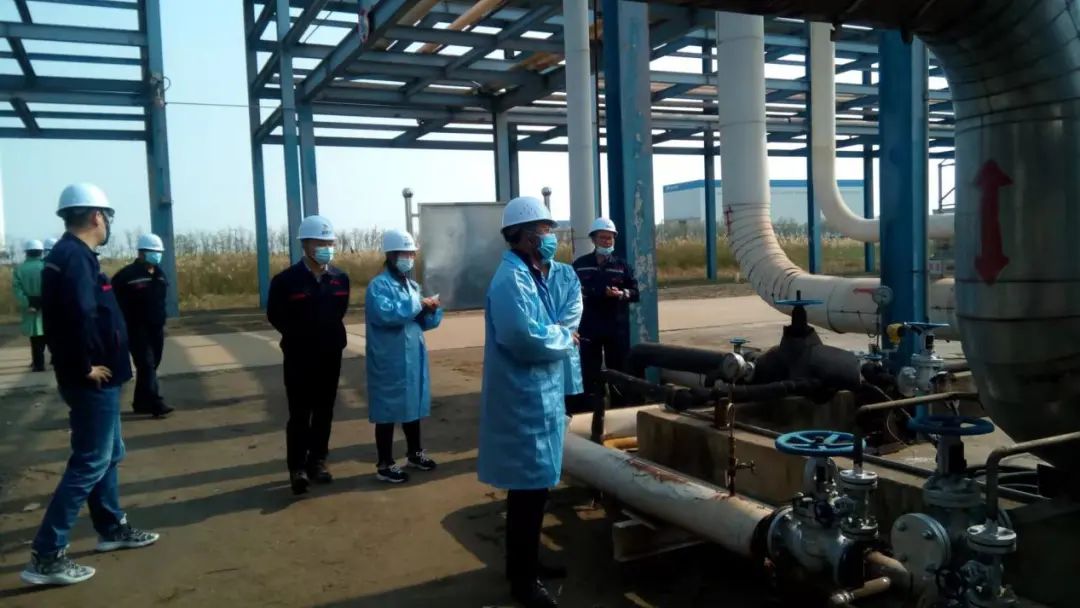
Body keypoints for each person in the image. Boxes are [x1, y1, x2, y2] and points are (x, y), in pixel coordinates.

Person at [22, 183, 159, 587]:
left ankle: (111, 526)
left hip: (100, 375)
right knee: (90, 461)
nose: (108, 224)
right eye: (108, 217)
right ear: (98, 216)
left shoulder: (72, 255)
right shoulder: (75, 258)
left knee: (109, 453)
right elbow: (76, 316)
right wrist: (84, 366)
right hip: (91, 380)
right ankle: (47, 555)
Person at [478, 196, 577, 608]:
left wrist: (560, 332)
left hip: (540, 395)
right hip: (523, 399)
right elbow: (523, 336)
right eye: (544, 230)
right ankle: (523, 581)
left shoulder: (533, 275)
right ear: (523, 235)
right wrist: (564, 337)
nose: (550, 236)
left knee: (536, 491)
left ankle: (528, 562)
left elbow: (558, 318)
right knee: (526, 492)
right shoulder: (510, 280)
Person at [267, 215, 350, 496]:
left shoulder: (340, 279)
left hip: (330, 354)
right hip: (299, 357)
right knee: (300, 413)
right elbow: (275, 315)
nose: (326, 248)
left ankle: (318, 461)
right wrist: (302, 336)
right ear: (304, 244)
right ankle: (297, 468)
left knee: (325, 411)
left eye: (330, 243)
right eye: (319, 243)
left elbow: (339, 312)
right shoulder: (286, 281)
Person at [365, 229, 442, 484]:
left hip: (412, 356)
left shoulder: (411, 286)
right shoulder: (378, 286)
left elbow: (419, 322)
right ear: (390, 255)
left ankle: (414, 453)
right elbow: (387, 315)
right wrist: (419, 304)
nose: (409, 258)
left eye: (411, 254)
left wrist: (431, 310)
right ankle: (385, 463)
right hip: (389, 359)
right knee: (387, 411)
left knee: (413, 406)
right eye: (404, 254)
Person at [572, 218, 639, 413]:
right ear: (593, 239)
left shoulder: (622, 266)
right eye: (602, 238)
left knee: (618, 369)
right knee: (589, 371)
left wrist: (622, 293)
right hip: (589, 327)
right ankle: (591, 410)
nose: (607, 241)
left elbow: (635, 293)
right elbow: (572, 292)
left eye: (610, 238)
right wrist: (598, 292)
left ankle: (619, 409)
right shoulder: (580, 265)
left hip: (616, 328)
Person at [112, 234, 173, 418]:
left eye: (158, 252)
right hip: (135, 327)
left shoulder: (160, 274)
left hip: (156, 327)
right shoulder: (126, 275)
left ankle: (140, 402)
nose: (156, 255)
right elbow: (112, 301)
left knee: (151, 364)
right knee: (146, 363)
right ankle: (155, 402)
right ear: (141, 253)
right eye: (152, 252)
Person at [545, 258, 584, 413]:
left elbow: (575, 306)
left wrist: (558, 331)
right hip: (543, 342)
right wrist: (553, 333)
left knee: (568, 398)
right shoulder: (523, 274)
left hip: (566, 339)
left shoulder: (566, 272)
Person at [13, 239, 46, 372]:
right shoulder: (46, 266)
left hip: (30, 310)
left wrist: (29, 303)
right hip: (47, 308)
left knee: (35, 338)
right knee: (50, 335)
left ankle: (38, 364)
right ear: (41, 252)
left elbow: (17, 290)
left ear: (26, 252)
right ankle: (56, 361)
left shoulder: (19, 269)